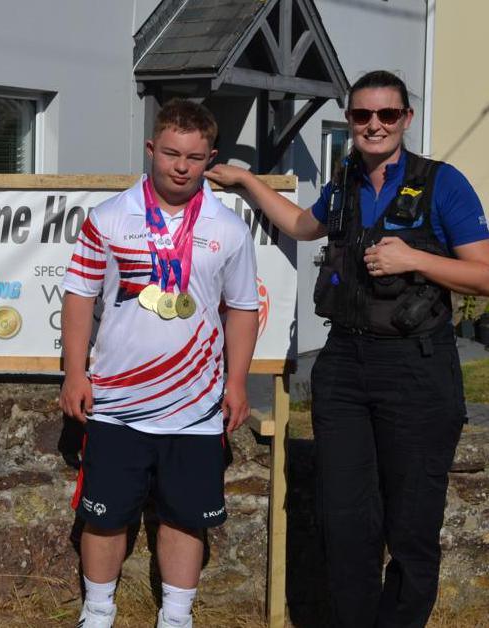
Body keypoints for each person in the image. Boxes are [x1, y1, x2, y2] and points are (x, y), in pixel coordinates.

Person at [205, 70, 489, 627]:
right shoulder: (344, 183)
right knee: (347, 523)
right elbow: (299, 223)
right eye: (362, 116)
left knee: (411, 526)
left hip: (417, 369)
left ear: (406, 119)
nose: (374, 125)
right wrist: (245, 180)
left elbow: (483, 273)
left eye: (387, 115)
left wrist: (415, 259)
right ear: (350, 121)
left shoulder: (442, 183)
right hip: (344, 369)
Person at [60, 99, 259, 628]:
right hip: (116, 403)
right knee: (104, 520)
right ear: (150, 149)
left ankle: (176, 617)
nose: (180, 166)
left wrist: (237, 382)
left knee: (186, 519)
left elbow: (242, 309)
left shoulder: (229, 229)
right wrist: (75, 373)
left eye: (194, 157)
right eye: (170, 152)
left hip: (195, 406)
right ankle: (97, 613)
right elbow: (79, 297)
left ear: (209, 156)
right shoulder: (107, 219)